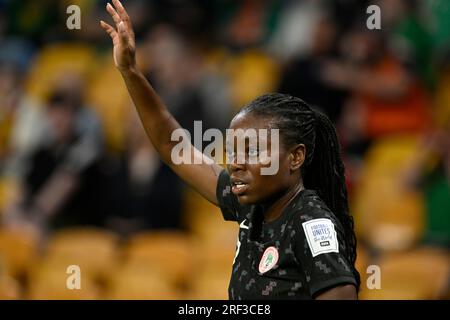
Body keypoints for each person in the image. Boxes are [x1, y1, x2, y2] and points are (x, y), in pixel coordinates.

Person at [100, 0, 360, 299]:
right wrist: (131, 71)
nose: (236, 163)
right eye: (235, 151)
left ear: (295, 157)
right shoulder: (250, 204)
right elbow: (173, 146)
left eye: (253, 151)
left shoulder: (310, 222)